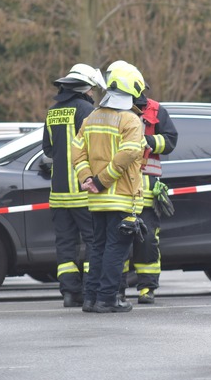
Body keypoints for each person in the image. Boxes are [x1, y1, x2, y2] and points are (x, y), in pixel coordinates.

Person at [72, 62, 146, 313]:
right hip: (121, 197)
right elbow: (128, 154)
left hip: (95, 200)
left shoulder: (92, 117)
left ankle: (91, 299)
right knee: (116, 250)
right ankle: (107, 299)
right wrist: (103, 181)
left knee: (98, 248)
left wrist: (87, 179)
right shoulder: (130, 120)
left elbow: (77, 152)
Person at [108, 61, 179, 305]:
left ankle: (147, 288)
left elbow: (170, 140)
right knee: (120, 241)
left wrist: (148, 141)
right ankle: (117, 289)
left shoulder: (156, 110)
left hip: (147, 191)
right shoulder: (113, 111)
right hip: (120, 189)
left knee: (148, 241)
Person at [43, 63, 106, 308]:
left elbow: (47, 149)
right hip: (83, 190)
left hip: (58, 194)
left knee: (65, 246)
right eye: (91, 89)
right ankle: (91, 291)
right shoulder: (87, 110)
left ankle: (70, 294)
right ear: (83, 89)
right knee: (93, 242)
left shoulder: (52, 112)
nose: (92, 93)